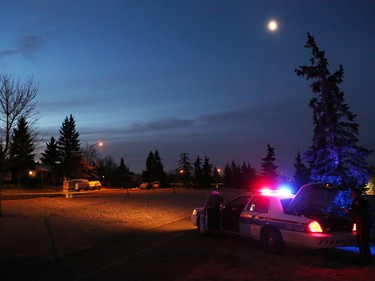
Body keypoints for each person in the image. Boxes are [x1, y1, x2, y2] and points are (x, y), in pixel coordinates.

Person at [344, 188, 372, 265]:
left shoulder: (358, 201)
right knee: (363, 241)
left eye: (353, 193)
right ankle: (366, 258)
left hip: (362, 222)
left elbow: (357, 212)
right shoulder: (360, 200)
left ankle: (364, 259)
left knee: (362, 240)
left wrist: (348, 211)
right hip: (362, 222)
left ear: (357, 193)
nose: (352, 195)